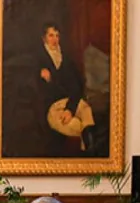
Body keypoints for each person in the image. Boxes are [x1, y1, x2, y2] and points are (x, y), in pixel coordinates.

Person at [39, 22, 97, 153]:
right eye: (51, 35)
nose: (54, 40)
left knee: (86, 109)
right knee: (77, 125)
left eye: (57, 36)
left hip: (69, 101)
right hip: (52, 107)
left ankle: (91, 149)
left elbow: (77, 85)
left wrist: (70, 109)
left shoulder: (66, 59)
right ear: (44, 38)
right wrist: (39, 73)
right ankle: (89, 148)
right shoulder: (38, 59)